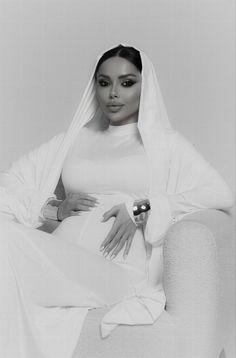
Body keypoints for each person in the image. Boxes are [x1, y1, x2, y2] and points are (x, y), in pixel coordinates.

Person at [0, 44, 234, 358]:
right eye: (104, 82)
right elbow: (8, 182)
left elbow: (219, 193)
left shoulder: (165, 144)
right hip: (64, 263)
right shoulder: (72, 140)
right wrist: (52, 207)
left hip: (118, 275)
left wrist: (142, 207)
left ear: (144, 86)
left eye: (126, 83)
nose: (113, 93)